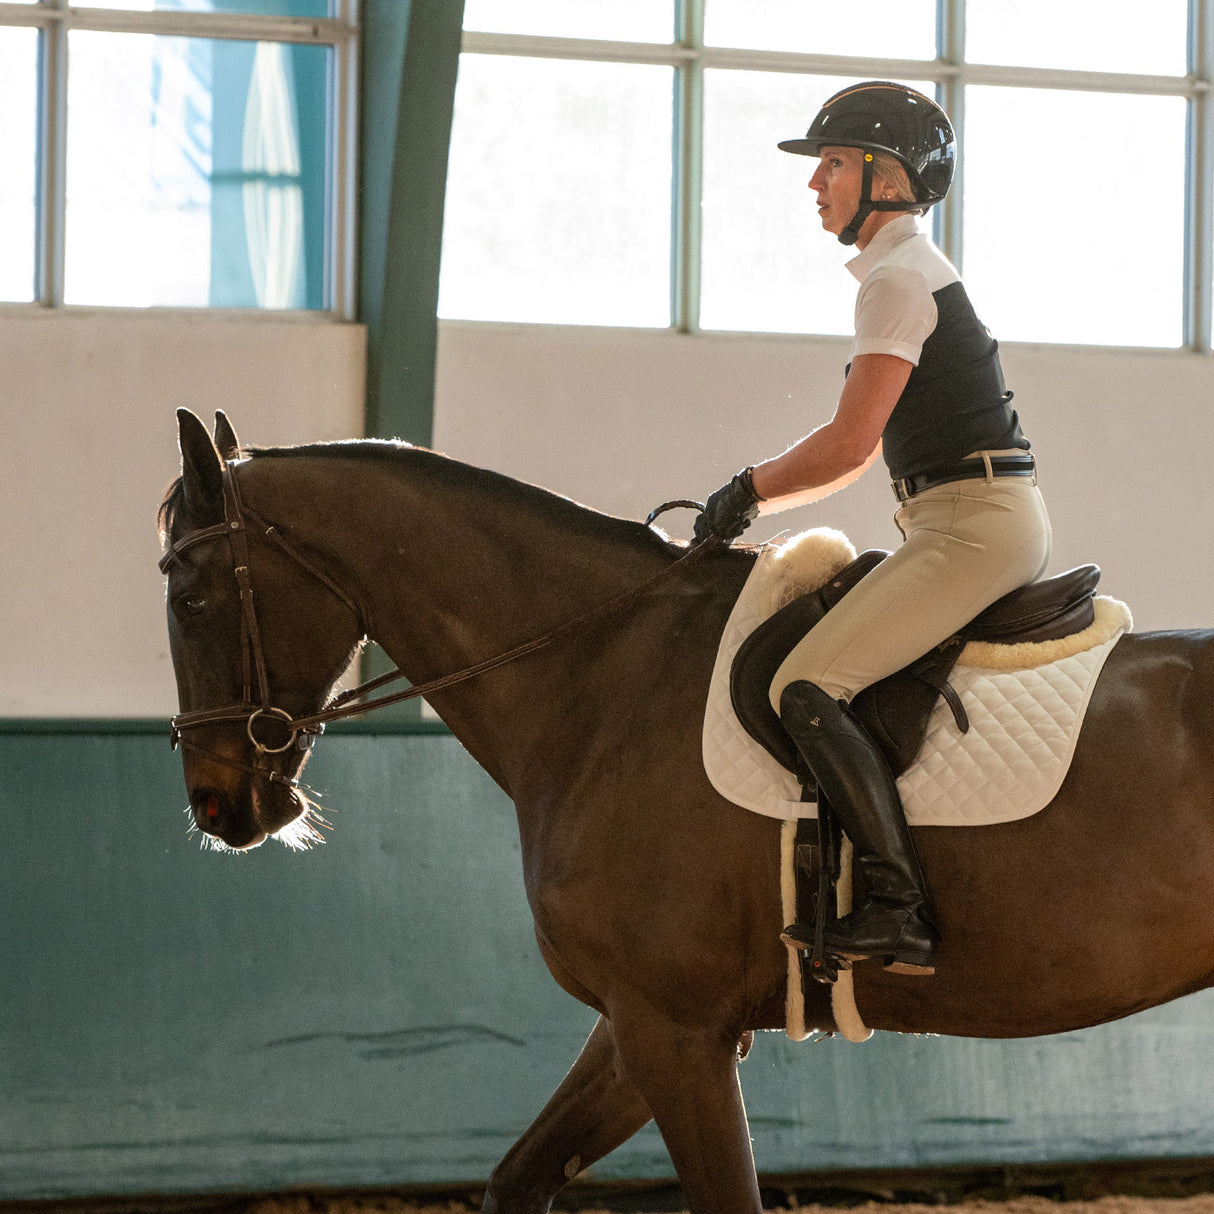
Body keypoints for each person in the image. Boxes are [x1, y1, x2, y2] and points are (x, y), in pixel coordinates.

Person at [694, 81, 1052, 976]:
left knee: (805, 683)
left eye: (833, 164)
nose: (815, 182)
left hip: (975, 527)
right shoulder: (901, 276)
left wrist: (748, 490)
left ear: (886, 178)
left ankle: (898, 904)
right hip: (958, 518)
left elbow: (851, 445)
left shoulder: (898, 282)